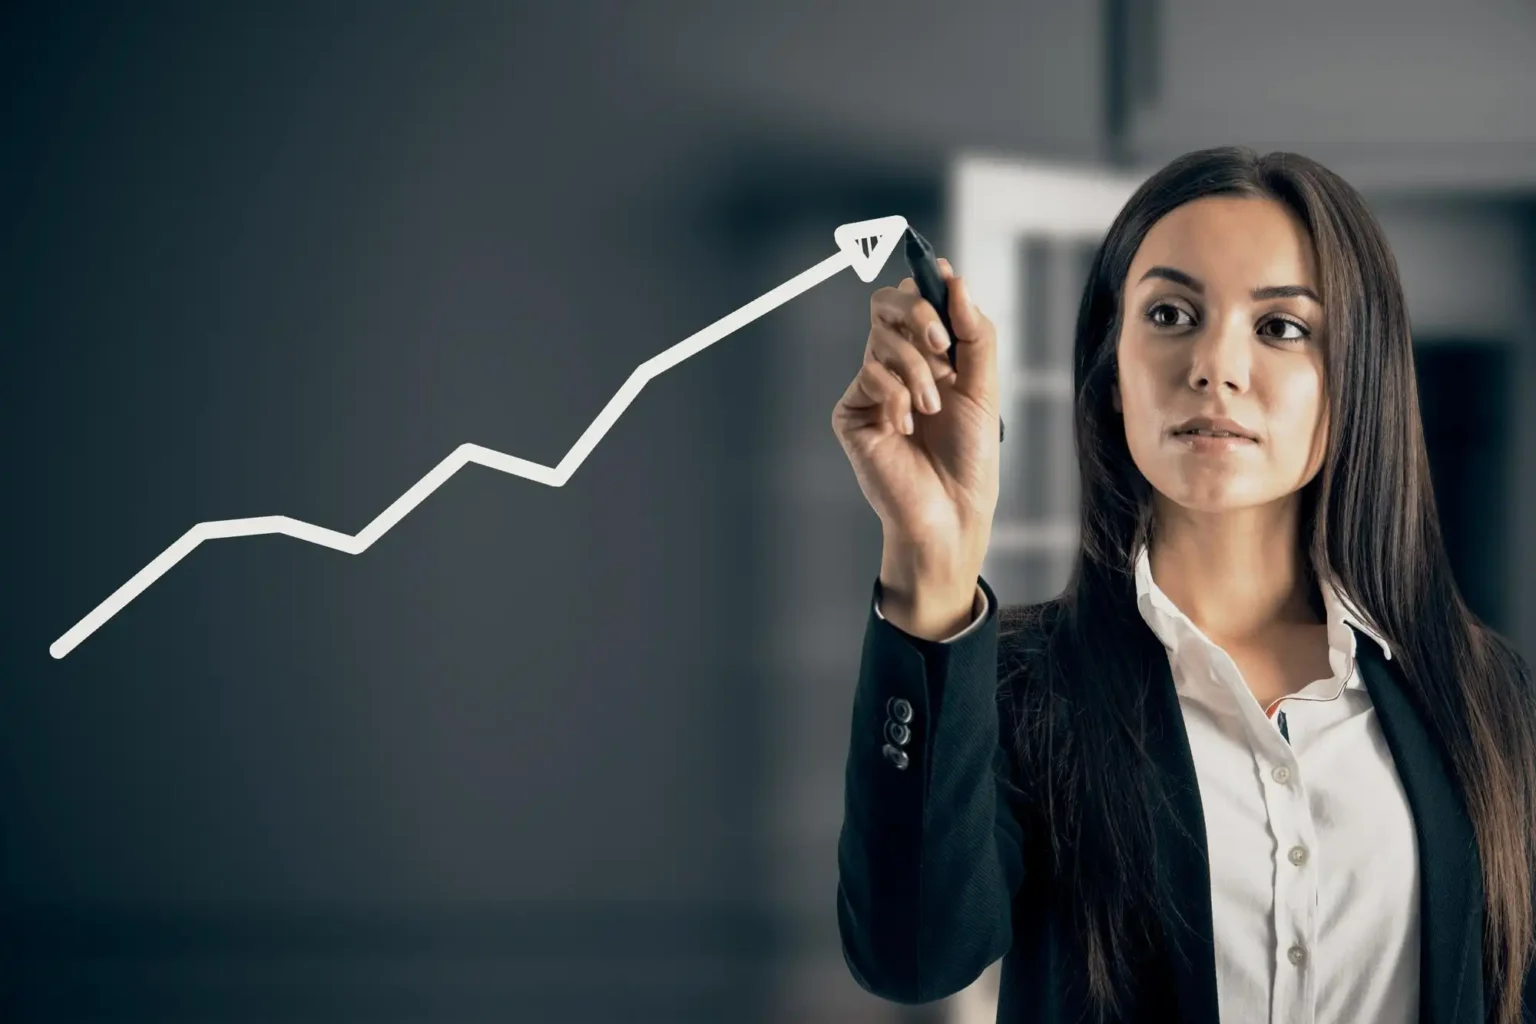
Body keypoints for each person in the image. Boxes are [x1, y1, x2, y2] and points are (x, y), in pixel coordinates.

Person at [828, 145, 1536, 1024]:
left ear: (1354, 380)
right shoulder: (1022, 688)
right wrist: (930, 554)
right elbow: (911, 958)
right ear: (1110, 372)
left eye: (1280, 327)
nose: (1214, 367)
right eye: (1170, 312)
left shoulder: (1493, 701)